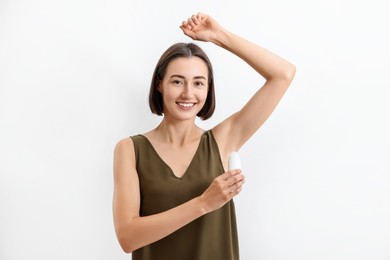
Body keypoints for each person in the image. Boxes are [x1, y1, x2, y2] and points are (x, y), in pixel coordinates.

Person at [113, 12, 295, 260]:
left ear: (208, 89)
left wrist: (219, 36)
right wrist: (204, 203)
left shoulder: (223, 139)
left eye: (199, 83)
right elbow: (128, 237)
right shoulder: (130, 149)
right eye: (177, 81)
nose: (188, 93)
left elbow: (283, 74)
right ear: (160, 84)